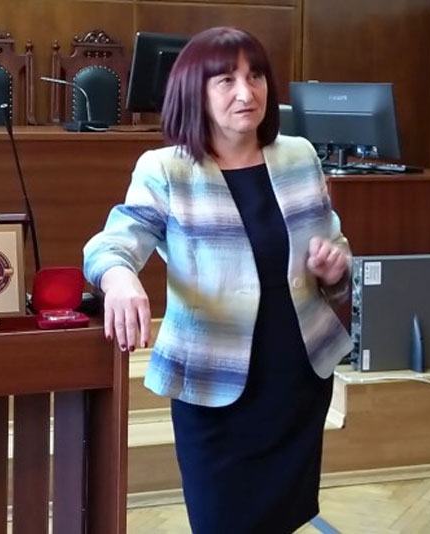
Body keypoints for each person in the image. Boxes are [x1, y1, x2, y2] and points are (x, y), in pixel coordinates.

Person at [83, 26, 354, 533]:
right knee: (220, 520)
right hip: (213, 381)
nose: (246, 93)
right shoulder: (167, 169)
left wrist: (335, 266)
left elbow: (335, 244)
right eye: (226, 80)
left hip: (297, 372)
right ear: (195, 92)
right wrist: (119, 279)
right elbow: (113, 242)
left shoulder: (299, 156)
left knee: (284, 516)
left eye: (256, 77)